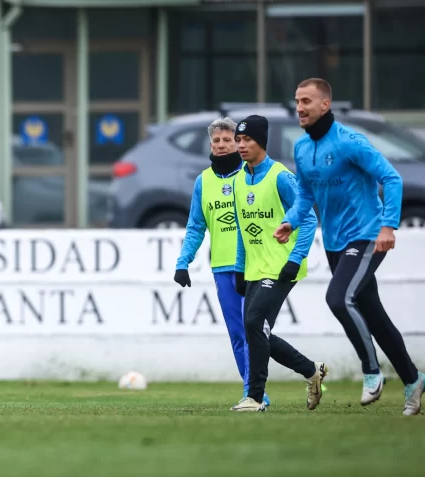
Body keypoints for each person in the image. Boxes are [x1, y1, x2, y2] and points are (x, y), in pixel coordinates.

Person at [275, 78, 425, 416]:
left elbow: (392, 178)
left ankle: (371, 371)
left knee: (338, 298)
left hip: (367, 235)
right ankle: (414, 380)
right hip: (334, 243)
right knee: (373, 314)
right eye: (297, 101)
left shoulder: (349, 142)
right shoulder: (301, 147)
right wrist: (291, 221)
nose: (299, 107)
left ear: (325, 105)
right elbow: (305, 196)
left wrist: (388, 225)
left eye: (306, 101)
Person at [230, 114, 327, 412]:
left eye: (248, 140)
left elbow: (309, 218)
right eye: (239, 140)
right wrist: (239, 268)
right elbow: (243, 231)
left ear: (262, 142)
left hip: (282, 266)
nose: (242, 145)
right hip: (255, 268)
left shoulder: (281, 177)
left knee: (253, 323)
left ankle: (255, 397)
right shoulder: (237, 181)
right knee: (257, 332)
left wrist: (295, 259)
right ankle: (311, 371)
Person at [174, 117, 270, 406]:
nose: (221, 145)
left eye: (227, 140)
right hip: (222, 268)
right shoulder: (203, 181)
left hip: (253, 266)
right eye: (216, 141)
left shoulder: (250, 174)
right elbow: (195, 226)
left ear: (237, 142)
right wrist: (183, 262)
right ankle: (254, 394)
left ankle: (300, 371)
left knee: (255, 330)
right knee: (238, 335)